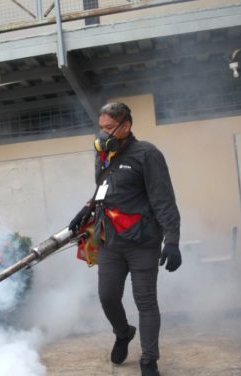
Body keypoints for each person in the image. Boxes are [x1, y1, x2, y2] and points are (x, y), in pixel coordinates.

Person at [69, 102, 182, 376]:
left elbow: (163, 198)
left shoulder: (147, 154)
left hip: (143, 241)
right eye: (101, 128)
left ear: (126, 126)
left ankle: (149, 361)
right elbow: (104, 188)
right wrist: (86, 208)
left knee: (145, 301)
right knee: (107, 297)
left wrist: (173, 240)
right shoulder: (104, 154)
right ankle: (123, 333)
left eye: (109, 128)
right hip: (110, 241)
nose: (103, 134)